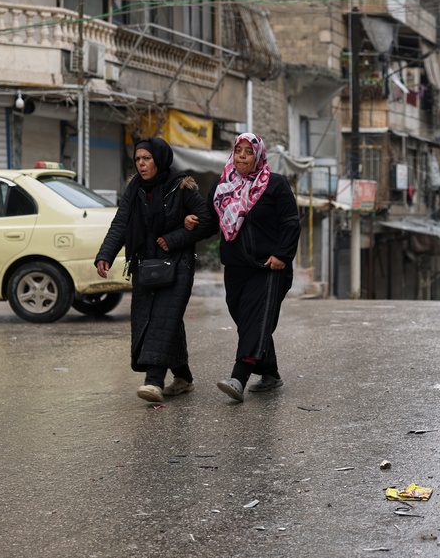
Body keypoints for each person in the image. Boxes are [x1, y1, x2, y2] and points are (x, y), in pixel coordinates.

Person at [95, 137, 212, 402]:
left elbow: (207, 222)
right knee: (154, 319)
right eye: (138, 159)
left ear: (159, 159)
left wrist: (175, 238)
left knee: (162, 318)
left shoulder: (182, 186)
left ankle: (154, 381)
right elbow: (121, 224)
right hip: (145, 264)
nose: (141, 164)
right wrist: (106, 255)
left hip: (177, 264)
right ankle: (183, 377)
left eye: (146, 158)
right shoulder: (134, 188)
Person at [208, 132, 300, 402]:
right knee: (243, 318)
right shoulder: (223, 185)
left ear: (258, 155)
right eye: (239, 151)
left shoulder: (275, 184)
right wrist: (188, 223)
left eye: (249, 151)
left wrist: (282, 254)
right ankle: (270, 373)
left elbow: (291, 222)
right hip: (236, 267)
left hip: (268, 266)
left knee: (255, 320)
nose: (243, 156)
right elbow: (209, 220)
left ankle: (239, 377)